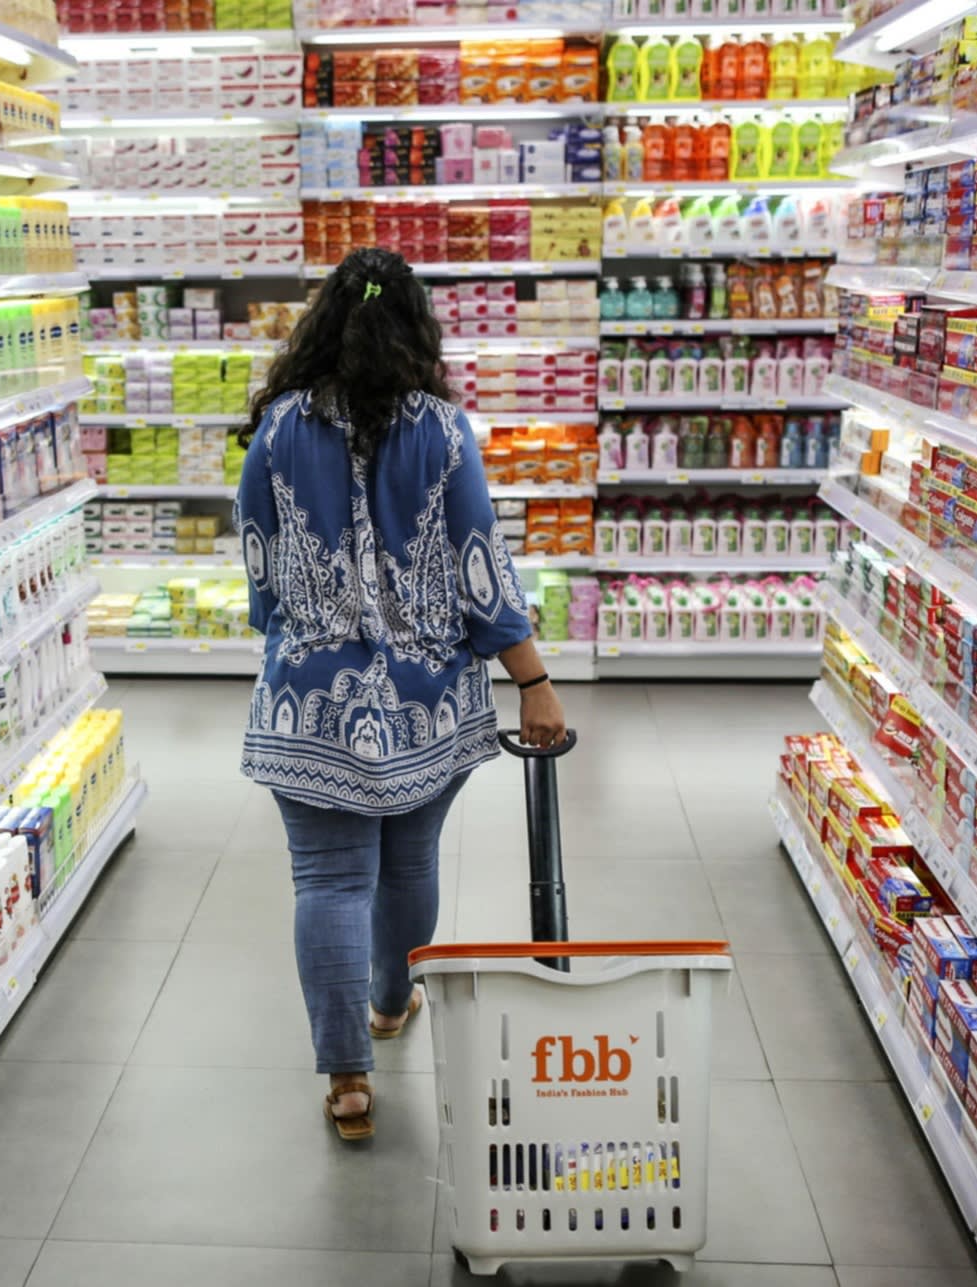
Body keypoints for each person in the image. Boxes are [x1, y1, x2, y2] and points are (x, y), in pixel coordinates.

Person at [235, 247, 568, 1142]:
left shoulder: (277, 430)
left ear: (324, 326)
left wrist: (297, 624)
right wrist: (531, 681)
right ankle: (390, 1002)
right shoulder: (443, 431)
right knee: (409, 864)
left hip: (309, 701)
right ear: (416, 328)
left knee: (328, 878)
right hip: (427, 698)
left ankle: (347, 1079)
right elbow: (481, 570)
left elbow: (261, 568)